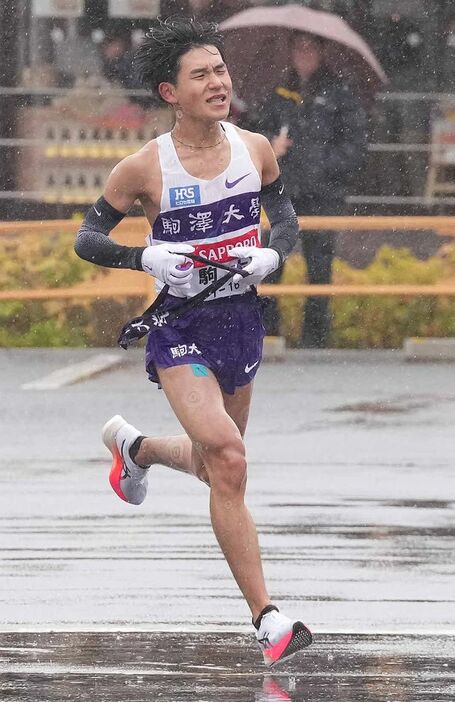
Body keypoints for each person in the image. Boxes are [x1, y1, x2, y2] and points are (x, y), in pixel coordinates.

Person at [74, 16, 312, 666]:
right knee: (230, 461)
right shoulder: (143, 166)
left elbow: (285, 218)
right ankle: (267, 619)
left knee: (217, 465)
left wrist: (272, 254)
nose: (217, 82)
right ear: (169, 91)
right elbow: (87, 237)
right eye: (200, 74)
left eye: (220, 70)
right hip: (178, 325)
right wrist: (144, 259)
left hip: (239, 321)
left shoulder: (254, 147)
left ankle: (137, 447)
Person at [255, 31, 368, 347]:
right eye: (298, 47)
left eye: (310, 48)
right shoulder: (278, 93)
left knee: (319, 267)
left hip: (323, 194)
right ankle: (268, 335)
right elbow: (255, 134)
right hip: (282, 192)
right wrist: (270, 145)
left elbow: (356, 148)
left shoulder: (340, 94)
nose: (304, 54)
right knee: (271, 263)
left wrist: (321, 165)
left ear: (321, 51)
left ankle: (315, 340)